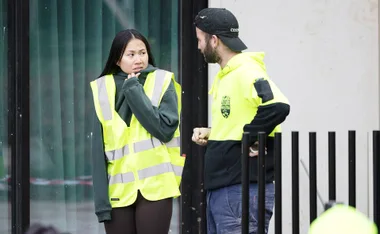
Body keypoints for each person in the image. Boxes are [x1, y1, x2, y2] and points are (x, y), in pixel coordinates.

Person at [192, 8, 290, 234]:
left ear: (214, 40)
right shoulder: (227, 74)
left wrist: (253, 138)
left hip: (240, 190)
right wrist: (213, 132)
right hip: (227, 190)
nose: (198, 46)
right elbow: (239, 120)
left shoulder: (246, 70)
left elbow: (278, 105)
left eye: (200, 39)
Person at [90, 29, 184, 234]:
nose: (138, 59)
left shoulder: (162, 81)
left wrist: (133, 88)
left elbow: (164, 129)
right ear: (117, 59)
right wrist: (101, 204)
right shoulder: (102, 88)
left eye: (143, 52)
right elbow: (97, 152)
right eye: (130, 54)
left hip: (156, 188)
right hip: (119, 192)